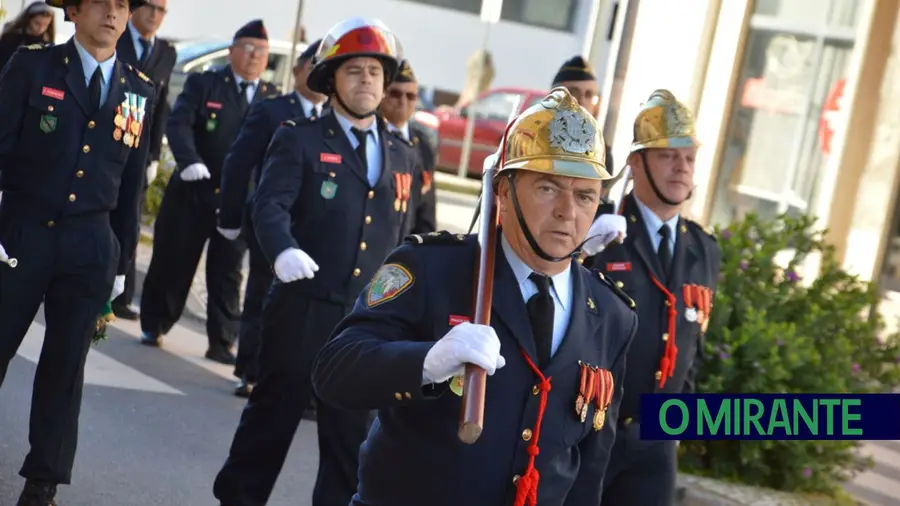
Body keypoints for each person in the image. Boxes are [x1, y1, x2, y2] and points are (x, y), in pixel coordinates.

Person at [311, 87, 635, 506]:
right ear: (503, 191)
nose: (567, 211)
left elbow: (588, 468)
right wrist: (425, 363)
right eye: (548, 188)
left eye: (585, 195)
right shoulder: (432, 268)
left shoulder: (610, 315)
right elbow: (335, 370)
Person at [213, 17, 423, 506]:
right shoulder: (300, 138)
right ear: (331, 80)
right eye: (354, 70)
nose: (367, 80)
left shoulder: (403, 155)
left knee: (350, 446)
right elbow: (268, 205)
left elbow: (410, 237)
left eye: (375, 71)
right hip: (302, 309)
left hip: (366, 321)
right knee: (270, 424)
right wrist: (283, 248)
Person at [0, 0, 153, 503]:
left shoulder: (139, 89)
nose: (113, 13)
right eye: (102, 3)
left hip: (90, 246)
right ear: (76, 11)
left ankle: (43, 481)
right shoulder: (33, 65)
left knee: (65, 369)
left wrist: (122, 266)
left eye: (122, 6)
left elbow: (131, 190)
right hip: (23, 233)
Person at [583, 90, 722, 506]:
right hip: (591, 430)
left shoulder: (703, 249)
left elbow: (692, 346)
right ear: (636, 162)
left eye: (689, 158)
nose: (682, 167)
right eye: (667, 155)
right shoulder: (599, 230)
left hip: (657, 441)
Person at [138, 19, 279, 364]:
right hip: (194, 188)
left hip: (238, 197)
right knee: (175, 260)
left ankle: (221, 340)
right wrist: (189, 161)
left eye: (260, 52)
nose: (253, 57)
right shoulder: (206, 84)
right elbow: (179, 122)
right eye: (247, 49)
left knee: (228, 269)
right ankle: (155, 323)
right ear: (231, 52)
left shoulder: (270, 100)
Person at [217, 39, 327, 397]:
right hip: (272, 221)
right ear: (296, 71)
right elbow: (238, 162)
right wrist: (231, 215)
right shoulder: (272, 110)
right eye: (310, 66)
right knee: (262, 297)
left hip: (313, 229)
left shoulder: (333, 122)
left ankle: (302, 380)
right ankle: (249, 370)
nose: (316, 74)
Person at [111, 0, 176, 320]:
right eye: (149, 5)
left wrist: (153, 155)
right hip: (108, 138)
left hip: (140, 146)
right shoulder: (116, 36)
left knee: (130, 221)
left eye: (161, 9)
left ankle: (121, 293)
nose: (154, 14)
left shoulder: (167, 52)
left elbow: (161, 107)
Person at [380, 58, 436, 234]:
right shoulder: (371, 135)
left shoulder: (423, 144)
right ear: (382, 94)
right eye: (395, 94)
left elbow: (427, 207)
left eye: (410, 96)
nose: (403, 101)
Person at [552, 55, 613, 172]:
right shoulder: (534, 140)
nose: (582, 101)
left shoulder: (601, 153)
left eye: (589, 94)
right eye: (574, 92)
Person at [0, 1, 55, 70]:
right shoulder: (10, 38)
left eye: (45, 25)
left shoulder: (47, 45)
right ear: (28, 19)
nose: (41, 29)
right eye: (37, 24)